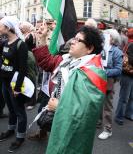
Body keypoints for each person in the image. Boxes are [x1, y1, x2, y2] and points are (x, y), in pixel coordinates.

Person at [33, 24, 107, 154]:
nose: (72, 41)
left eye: (78, 40)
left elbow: (86, 112)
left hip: (74, 128)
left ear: (89, 48)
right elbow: (47, 61)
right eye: (74, 38)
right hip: (60, 120)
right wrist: (42, 38)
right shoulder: (67, 60)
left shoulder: (94, 73)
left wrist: (59, 106)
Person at [0, 16, 29, 152]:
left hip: (15, 85)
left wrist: (17, 88)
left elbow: (23, 69)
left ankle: (20, 136)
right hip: (5, 83)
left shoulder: (21, 45)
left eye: (1, 26)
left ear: (8, 28)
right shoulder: (4, 42)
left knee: (19, 111)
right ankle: (11, 130)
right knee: (11, 109)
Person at [98, 29, 123, 140]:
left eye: (109, 36)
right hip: (98, 79)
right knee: (97, 103)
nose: (106, 38)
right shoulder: (101, 49)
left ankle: (107, 129)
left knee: (107, 106)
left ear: (113, 39)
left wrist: (105, 72)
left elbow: (118, 69)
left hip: (108, 81)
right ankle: (98, 123)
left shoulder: (117, 52)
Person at [19, 21, 37, 110]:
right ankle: (27, 99)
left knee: (31, 78)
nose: (20, 29)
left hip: (29, 57)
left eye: (22, 27)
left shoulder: (31, 35)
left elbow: (29, 47)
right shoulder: (26, 35)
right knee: (26, 78)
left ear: (26, 28)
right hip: (25, 56)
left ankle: (32, 101)